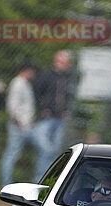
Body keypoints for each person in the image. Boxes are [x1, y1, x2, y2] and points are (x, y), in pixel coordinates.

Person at [0, 61, 43, 187]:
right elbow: (12, 106)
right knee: (12, 153)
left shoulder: (25, 84)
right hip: (18, 126)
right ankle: (5, 183)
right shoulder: (17, 83)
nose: (34, 74)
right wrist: (19, 122)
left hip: (27, 125)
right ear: (27, 70)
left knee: (44, 148)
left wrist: (31, 121)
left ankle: (39, 180)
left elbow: (26, 107)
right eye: (32, 71)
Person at [34, 50, 73, 178]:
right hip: (47, 118)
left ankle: (49, 181)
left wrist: (67, 110)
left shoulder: (68, 78)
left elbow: (70, 96)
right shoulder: (47, 76)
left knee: (55, 151)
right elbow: (37, 93)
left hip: (60, 119)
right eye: (62, 62)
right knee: (46, 150)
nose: (64, 65)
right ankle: (39, 178)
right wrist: (42, 108)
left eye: (66, 63)